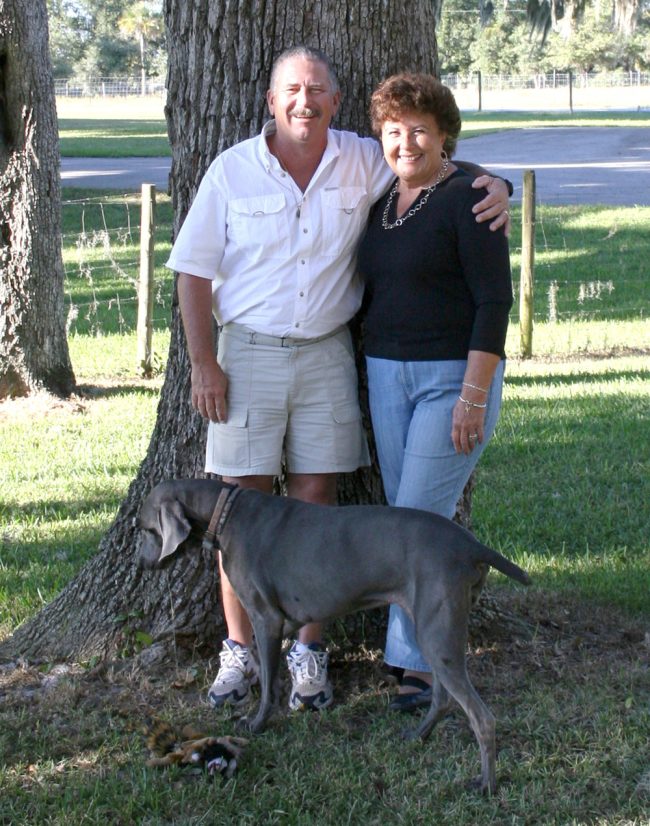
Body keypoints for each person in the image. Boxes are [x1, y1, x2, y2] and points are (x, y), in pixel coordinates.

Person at [165, 47, 511, 714]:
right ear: (271, 101)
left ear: (335, 98)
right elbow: (192, 272)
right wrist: (203, 362)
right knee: (238, 505)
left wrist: (496, 182)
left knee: (317, 500)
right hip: (249, 354)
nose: (305, 101)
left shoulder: (360, 157)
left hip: (327, 351)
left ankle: (308, 654)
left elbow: (428, 163)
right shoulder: (233, 170)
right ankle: (240, 653)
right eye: (292, 90)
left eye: (318, 89)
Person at [356, 72, 513, 711]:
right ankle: (418, 654)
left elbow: (494, 301)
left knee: (419, 523)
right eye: (394, 131)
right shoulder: (378, 204)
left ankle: (421, 667)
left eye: (420, 129)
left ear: (444, 135)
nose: (406, 142)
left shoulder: (471, 198)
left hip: (453, 379)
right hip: (385, 377)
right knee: (405, 519)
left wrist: (474, 396)